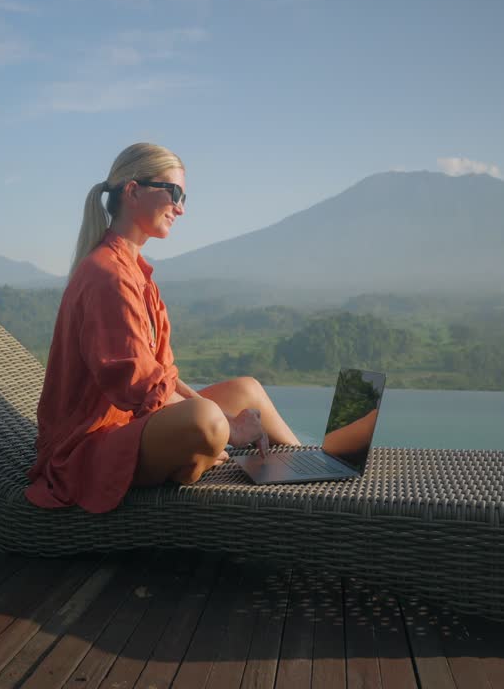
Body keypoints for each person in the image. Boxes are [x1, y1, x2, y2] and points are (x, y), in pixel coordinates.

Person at [27, 142, 301, 513]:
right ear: (133, 191)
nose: (181, 208)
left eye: (183, 196)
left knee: (246, 390)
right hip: (88, 450)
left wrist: (223, 415)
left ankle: (311, 470)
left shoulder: (136, 272)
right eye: (174, 193)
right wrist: (230, 429)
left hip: (133, 426)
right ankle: (204, 454)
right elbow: (141, 388)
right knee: (207, 421)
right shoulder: (107, 275)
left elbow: (162, 379)